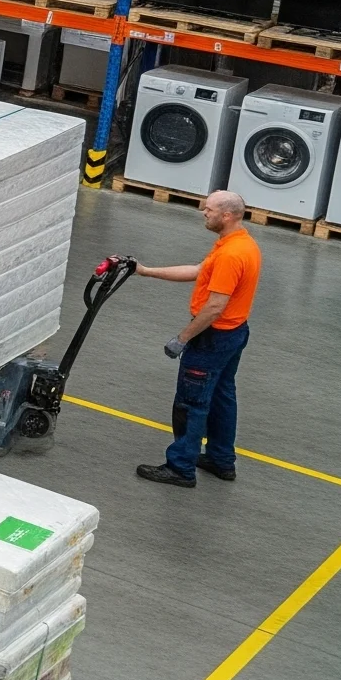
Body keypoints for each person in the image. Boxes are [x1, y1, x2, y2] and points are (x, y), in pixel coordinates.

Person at [131, 189, 261, 488]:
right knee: (222, 397)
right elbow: (199, 271)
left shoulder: (231, 254)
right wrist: (145, 271)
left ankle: (180, 468)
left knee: (191, 403)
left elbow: (215, 306)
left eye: (209, 209)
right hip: (234, 333)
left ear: (226, 215)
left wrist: (183, 338)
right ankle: (221, 459)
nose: (204, 212)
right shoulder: (240, 243)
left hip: (212, 339)